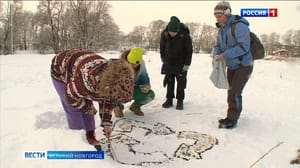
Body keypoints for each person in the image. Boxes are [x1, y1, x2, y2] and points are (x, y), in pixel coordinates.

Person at [50, 49, 134, 145]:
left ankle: (90, 136)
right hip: (61, 68)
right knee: (74, 108)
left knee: (88, 104)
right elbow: (70, 97)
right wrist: (87, 107)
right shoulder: (88, 79)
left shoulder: (116, 79)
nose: (115, 100)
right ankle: (78, 143)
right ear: (108, 88)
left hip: (81, 67)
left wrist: (106, 123)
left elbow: (108, 100)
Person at [213, 1, 253, 129]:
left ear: (227, 13)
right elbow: (218, 45)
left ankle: (232, 119)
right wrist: (215, 55)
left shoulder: (239, 26)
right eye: (215, 16)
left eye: (219, 16)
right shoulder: (222, 30)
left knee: (234, 92)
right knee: (231, 91)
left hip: (244, 65)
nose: (217, 19)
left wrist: (224, 55)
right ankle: (232, 115)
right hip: (232, 65)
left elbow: (244, 46)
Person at [160, 16, 193, 110]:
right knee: (169, 81)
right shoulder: (165, 33)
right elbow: (162, 46)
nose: (172, 34)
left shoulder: (185, 35)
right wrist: (163, 58)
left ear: (178, 30)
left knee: (181, 82)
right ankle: (169, 99)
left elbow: (189, 50)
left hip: (181, 62)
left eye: (175, 32)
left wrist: (187, 64)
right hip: (169, 61)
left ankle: (180, 100)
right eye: (171, 32)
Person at [113, 47, 155, 117]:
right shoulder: (119, 65)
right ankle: (119, 107)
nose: (134, 66)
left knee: (150, 95)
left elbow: (144, 77)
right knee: (115, 95)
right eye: (132, 63)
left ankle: (135, 106)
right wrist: (115, 104)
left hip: (133, 90)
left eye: (136, 64)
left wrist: (146, 85)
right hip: (120, 93)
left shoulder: (141, 64)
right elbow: (112, 88)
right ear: (128, 60)